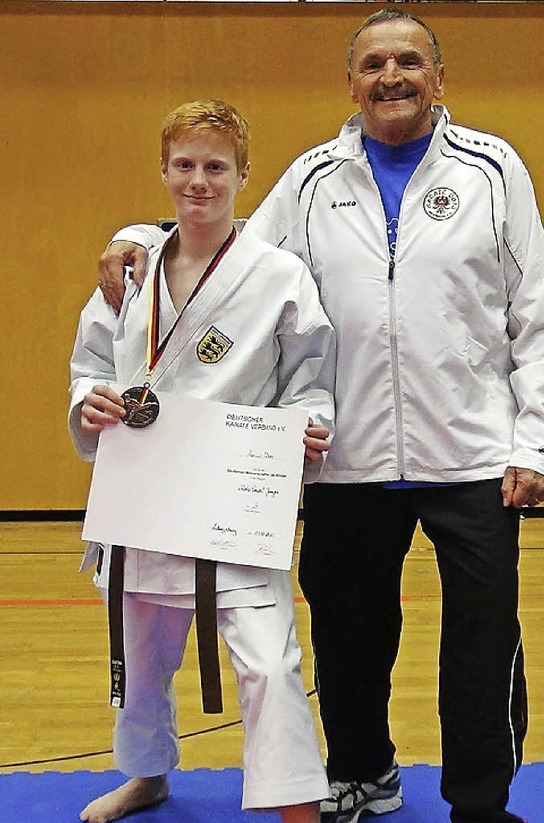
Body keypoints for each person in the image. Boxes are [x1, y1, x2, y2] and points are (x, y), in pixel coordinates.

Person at [96, 10, 544, 823]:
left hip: (474, 453)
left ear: (439, 77)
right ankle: (362, 772)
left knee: (482, 643)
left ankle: (482, 802)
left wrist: (537, 442)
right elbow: (225, 243)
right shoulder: (315, 178)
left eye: (410, 61)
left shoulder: (495, 171)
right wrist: (137, 234)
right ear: (350, 82)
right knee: (350, 638)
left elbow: (537, 317)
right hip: (345, 454)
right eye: (375, 63)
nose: (393, 75)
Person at [69, 99, 336, 823]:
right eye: (184, 165)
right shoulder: (127, 269)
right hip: (142, 494)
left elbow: (311, 376)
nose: (198, 181)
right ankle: (146, 774)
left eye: (215, 167)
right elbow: (90, 362)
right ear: (162, 170)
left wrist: (309, 425)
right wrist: (88, 402)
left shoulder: (278, 274)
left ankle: (295, 802)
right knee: (142, 654)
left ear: (244, 175)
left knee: (268, 657)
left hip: (231, 498)